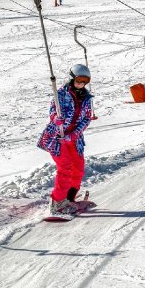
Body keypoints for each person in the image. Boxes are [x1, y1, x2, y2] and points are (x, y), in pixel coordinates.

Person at [37, 64, 94, 217]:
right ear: (72, 78)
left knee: (78, 167)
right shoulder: (61, 94)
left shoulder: (87, 98)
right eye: (78, 80)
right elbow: (53, 111)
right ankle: (57, 202)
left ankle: (69, 199)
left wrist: (74, 134)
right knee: (66, 166)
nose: (81, 84)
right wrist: (56, 119)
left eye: (85, 81)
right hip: (56, 137)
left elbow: (87, 118)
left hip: (73, 138)